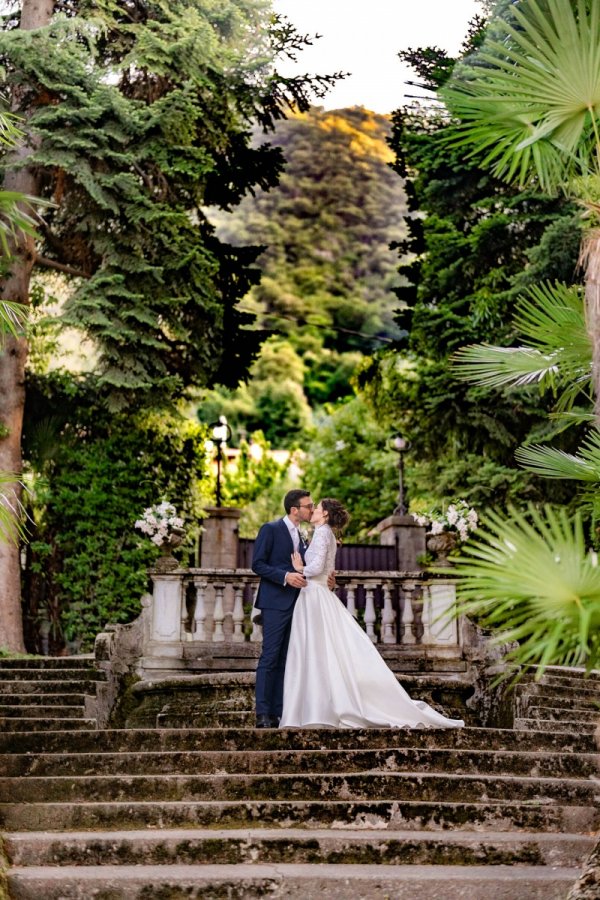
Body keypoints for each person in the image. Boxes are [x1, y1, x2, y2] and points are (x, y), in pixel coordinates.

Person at [280, 497, 465, 729]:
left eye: (317, 508)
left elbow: (317, 568)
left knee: (317, 651)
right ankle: (319, 705)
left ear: (325, 514)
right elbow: (327, 568)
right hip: (317, 595)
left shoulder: (322, 533)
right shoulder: (327, 534)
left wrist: (299, 569)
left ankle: (318, 708)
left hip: (314, 596)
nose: (314, 510)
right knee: (324, 651)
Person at [252, 489, 335, 728]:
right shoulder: (271, 529)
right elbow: (257, 564)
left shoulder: (304, 534)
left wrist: (329, 579)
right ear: (294, 510)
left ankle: (279, 711)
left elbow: (314, 567)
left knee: (288, 658)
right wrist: (285, 576)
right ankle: (263, 713)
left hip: (300, 604)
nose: (312, 509)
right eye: (308, 506)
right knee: (270, 656)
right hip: (276, 602)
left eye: (312, 506)